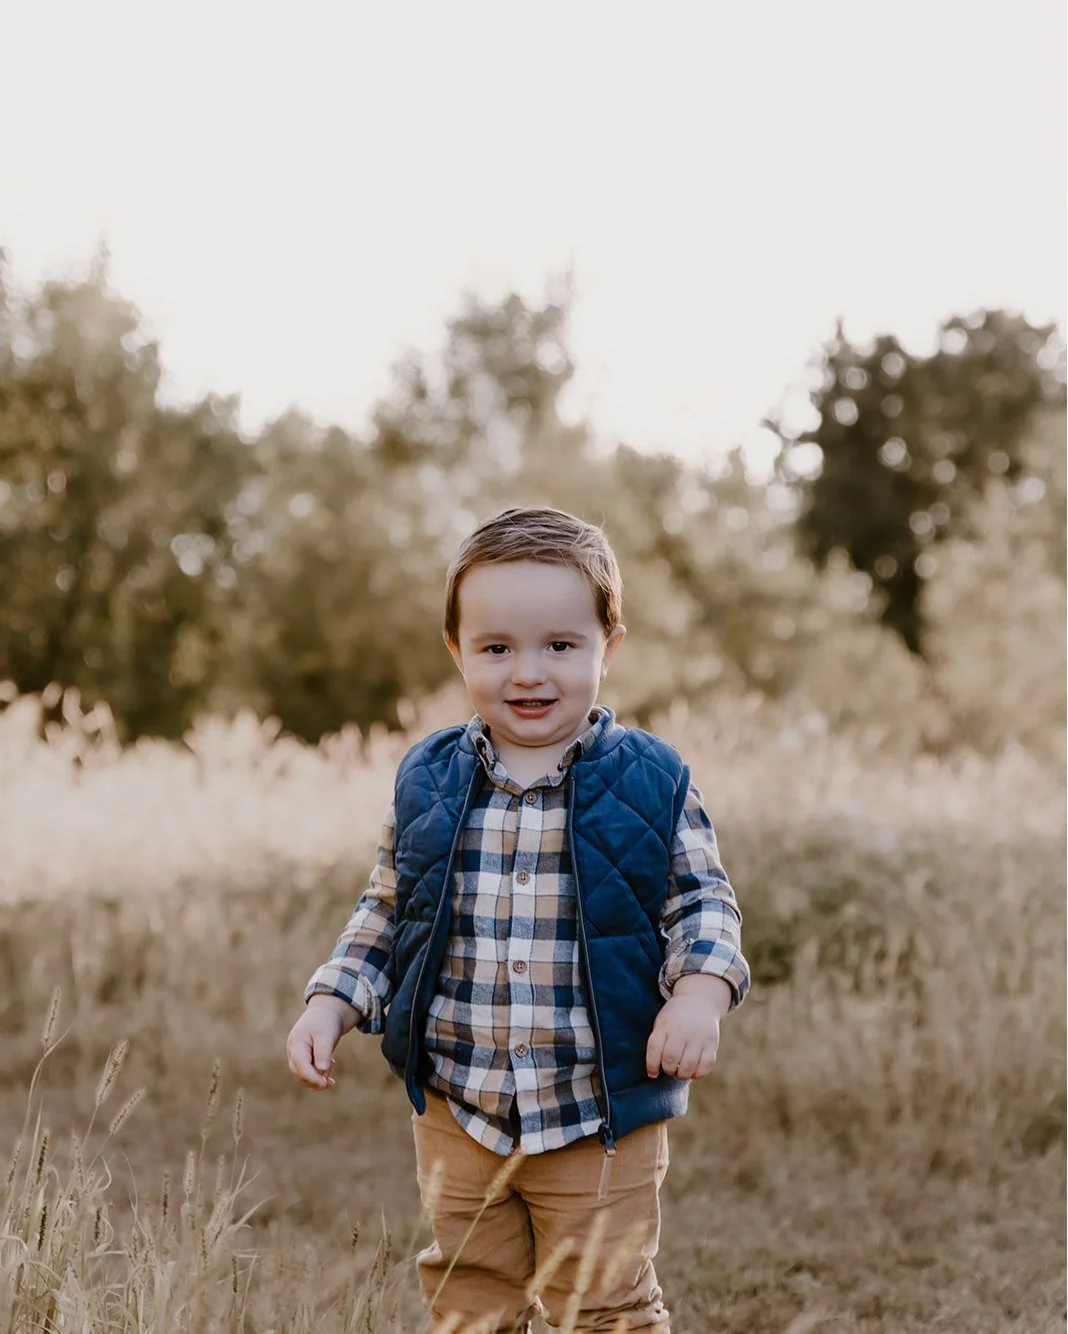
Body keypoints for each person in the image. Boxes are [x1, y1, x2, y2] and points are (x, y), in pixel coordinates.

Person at [286, 506, 750, 1333]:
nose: (528, 673)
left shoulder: (653, 779)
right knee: (468, 1294)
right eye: (497, 648)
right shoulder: (428, 778)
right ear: (457, 650)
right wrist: (334, 999)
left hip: (596, 1110)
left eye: (560, 646)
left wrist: (700, 995)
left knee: (604, 1304)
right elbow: (388, 907)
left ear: (609, 643)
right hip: (458, 1108)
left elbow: (702, 903)